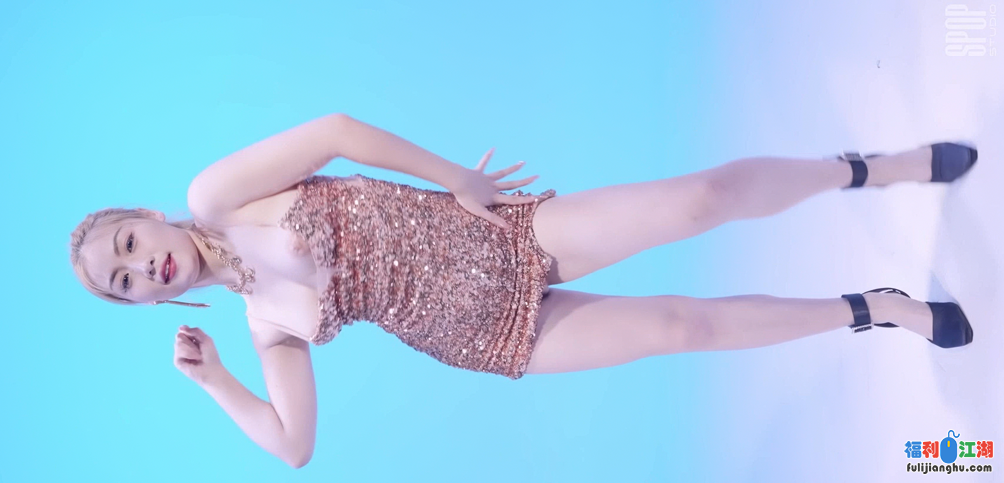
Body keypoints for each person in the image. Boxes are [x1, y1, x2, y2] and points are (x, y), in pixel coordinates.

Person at [69, 113, 977, 468]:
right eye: (124, 282)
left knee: (700, 199)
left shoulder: (215, 196)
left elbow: (336, 132)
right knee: (681, 327)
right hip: (481, 335)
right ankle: (873, 309)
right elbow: (294, 445)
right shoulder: (266, 324)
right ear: (145, 304)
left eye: (128, 245)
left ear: (144, 217)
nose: (140, 266)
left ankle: (868, 167)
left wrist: (457, 178)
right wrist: (215, 380)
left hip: (497, 233)